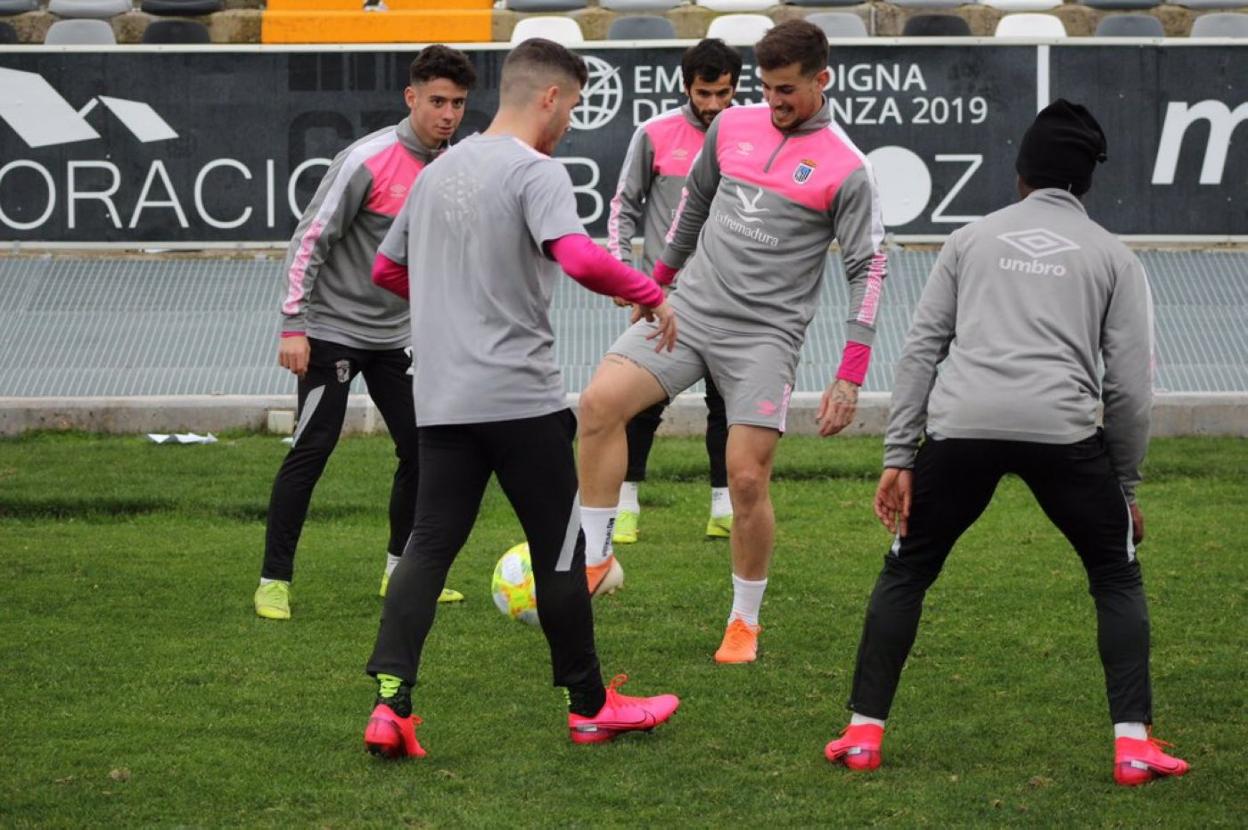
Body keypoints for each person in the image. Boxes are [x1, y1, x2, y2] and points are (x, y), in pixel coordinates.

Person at [823, 100, 1190, 787]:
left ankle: (863, 735)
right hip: (1065, 431)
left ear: (1021, 173)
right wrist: (1125, 486)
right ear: (1087, 182)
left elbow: (921, 350)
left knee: (907, 570)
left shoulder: (969, 240)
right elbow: (1132, 387)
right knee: (1115, 574)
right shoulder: (1114, 257)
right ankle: (1133, 746)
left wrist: (900, 454)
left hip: (963, 427)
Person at [361, 38, 681, 759]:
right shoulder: (536, 170)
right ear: (549, 97)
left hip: (442, 400)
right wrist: (650, 292)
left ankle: (390, 705)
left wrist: (451, 305)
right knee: (560, 552)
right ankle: (590, 708)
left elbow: (386, 269)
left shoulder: (437, 173)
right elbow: (577, 255)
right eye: (572, 107)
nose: (568, 121)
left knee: (427, 547)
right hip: (518, 401)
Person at [576, 19, 888, 663]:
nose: (773, 102)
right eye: (767, 88)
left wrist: (850, 374)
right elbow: (691, 210)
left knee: (746, 478)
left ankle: (744, 622)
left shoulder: (847, 167)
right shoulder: (731, 127)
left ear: (822, 80)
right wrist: (655, 288)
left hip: (764, 338)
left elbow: (869, 269)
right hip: (688, 311)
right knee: (599, 404)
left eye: (787, 90)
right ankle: (596, 559)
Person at [253, 46, 477, 621]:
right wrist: (294, 324)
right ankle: (274, 580)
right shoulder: (366, 159)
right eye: (437, 101)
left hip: (397, 336)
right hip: (330, 330)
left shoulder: (456, 167)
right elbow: (310, 240)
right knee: (312, 450)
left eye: (457, 103)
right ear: (411, 97)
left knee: (423, 450)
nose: (448, 114)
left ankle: (400, 572)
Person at [606, 39, 742, 546]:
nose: (713, 104)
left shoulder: (752, 136)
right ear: (686, 87)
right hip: (667, 298)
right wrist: (622, 271)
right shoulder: (654, 133)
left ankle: (723, 509)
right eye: (704, 93)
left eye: (723, 93)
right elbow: (623, 205)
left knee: (726, 408)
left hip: (732, 296)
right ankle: (625, 507)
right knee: (640, 404)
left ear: (736, 88)